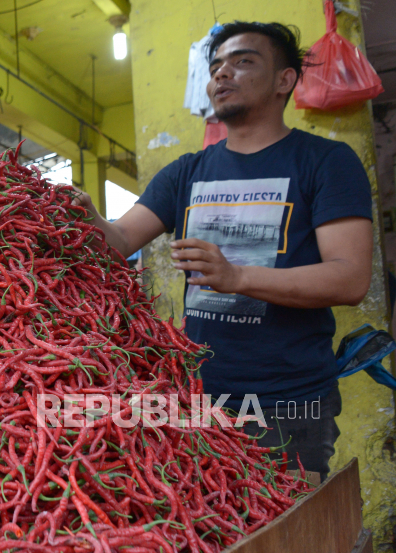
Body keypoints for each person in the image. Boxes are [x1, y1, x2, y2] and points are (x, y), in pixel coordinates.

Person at [74, 22, 373, 481]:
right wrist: (84, 213)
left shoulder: (325, 162)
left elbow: (350, 278)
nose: (221, 74)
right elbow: (118, 242)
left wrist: (238, 277)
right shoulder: (185, 173)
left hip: (287, 401)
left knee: (287, 531)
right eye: (215, 66)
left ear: (284, 80)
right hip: (197, 397)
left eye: (243, 61)